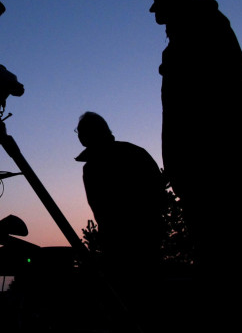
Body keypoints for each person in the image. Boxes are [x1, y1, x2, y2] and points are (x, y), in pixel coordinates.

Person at [150, 0, 242, 331]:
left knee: (223, 252)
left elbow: (200, 111)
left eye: (160, 8)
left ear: (175, 3)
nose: (156, 18)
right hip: (212, 163)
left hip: (213, 165)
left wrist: (185, 166)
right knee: (221, 248)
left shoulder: (200, 33)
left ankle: (231, 324)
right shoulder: (199, 31)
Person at [75, 112, 167, 330]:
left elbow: (100, 208)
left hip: (121, 243)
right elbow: (159, 192)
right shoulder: (136, 153)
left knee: (127, 300)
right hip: (146, 238)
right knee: (147, 297)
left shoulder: (92, 167)